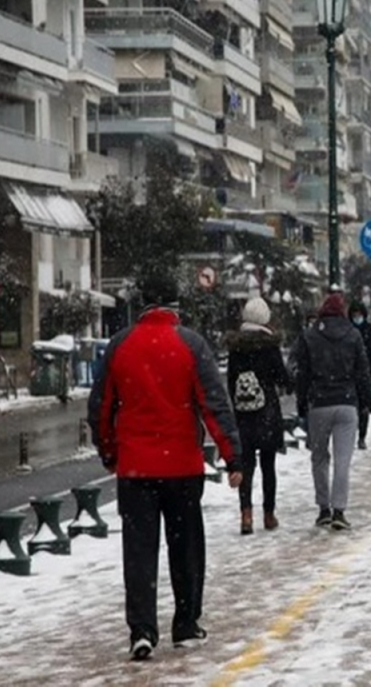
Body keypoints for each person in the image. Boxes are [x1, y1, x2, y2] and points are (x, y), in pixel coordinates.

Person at [87, 280, 243, 661]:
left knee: (139, 552)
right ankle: (186, 624)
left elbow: (101, 408)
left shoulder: (120, 346)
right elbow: (213, 404)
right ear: (175, 308)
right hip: (182, 467)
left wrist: (110, 453)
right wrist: (232, 456)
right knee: (186, 546)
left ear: (140, 308)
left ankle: (142, 629)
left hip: (136, 468)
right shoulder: (191, 344)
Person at [291, 292, 371, 531]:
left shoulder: (309, 336)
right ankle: (339, 510)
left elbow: (302, 372)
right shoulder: (353, 334)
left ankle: (323, 508)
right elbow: (362, 371)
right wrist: (365, 400)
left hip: (319, 403)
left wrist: (302, 404)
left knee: (319, 458)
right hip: (347, 403)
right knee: (342, 460)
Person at [225, 296, 291, 535]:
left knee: (246, 466)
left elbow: (231, 382)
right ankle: (269, 514)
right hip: (267, 413)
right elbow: (282, 378)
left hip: (244, 415)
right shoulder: (269, 346)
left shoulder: (236, 348)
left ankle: (246, 515)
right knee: (268, 465)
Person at [349, 298, 371, 450]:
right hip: (349, 376)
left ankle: (362, 436)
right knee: (351, 407)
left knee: (364, 407)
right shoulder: (347, 331)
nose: (357, 317)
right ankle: (352, 433)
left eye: (359, 314)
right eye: (354, 314)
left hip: (366, 375)